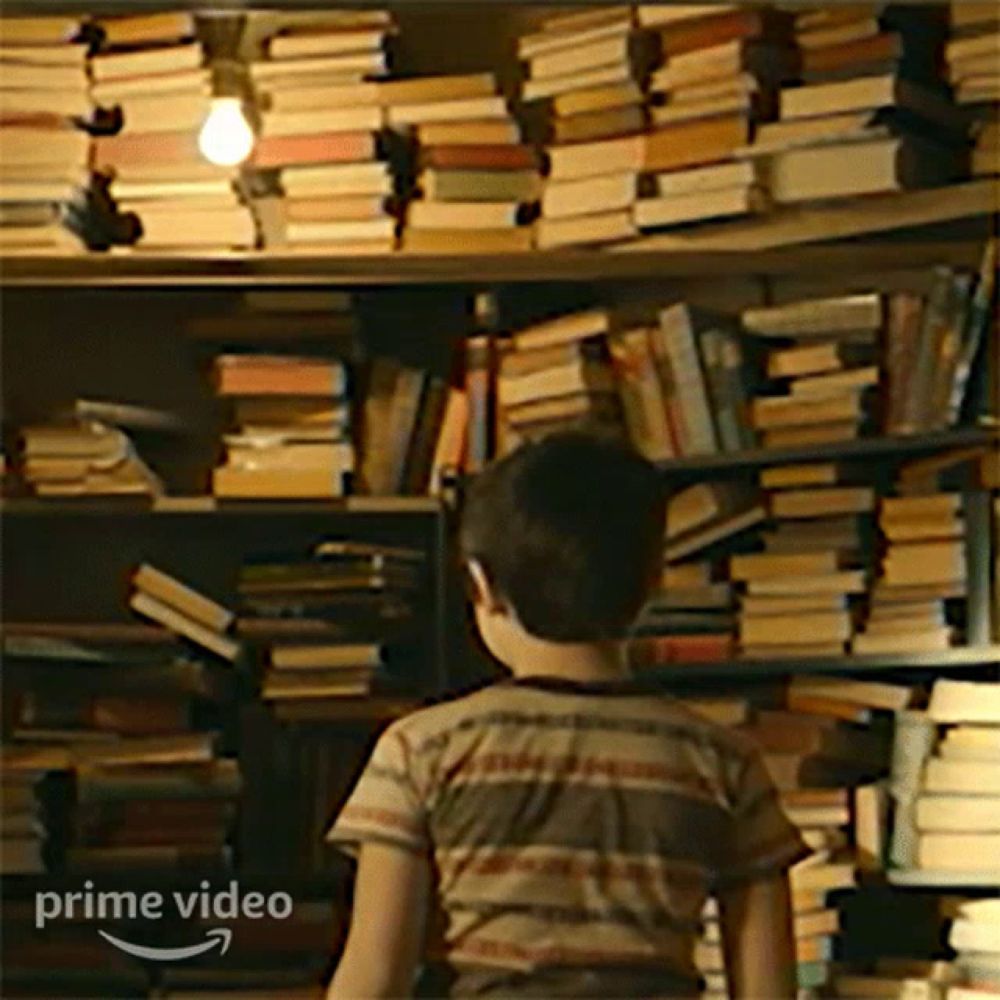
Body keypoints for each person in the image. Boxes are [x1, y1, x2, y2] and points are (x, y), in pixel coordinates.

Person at [326, 431, 806, 999]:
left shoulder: (420, 749)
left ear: (482, 585)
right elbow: (768, 992)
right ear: (651, 584)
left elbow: (374, 979)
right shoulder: (723, 760)